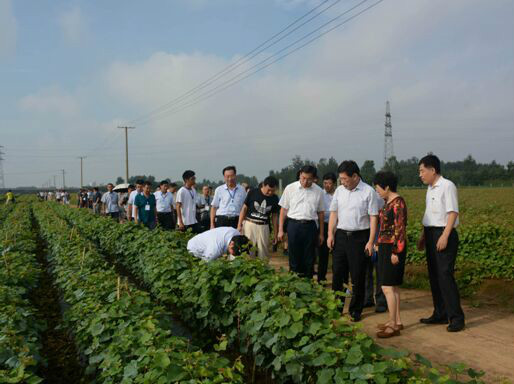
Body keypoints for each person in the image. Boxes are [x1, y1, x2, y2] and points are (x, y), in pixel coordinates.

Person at [327, 160, 379, 322]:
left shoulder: (368, 192)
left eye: (344, 179)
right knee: (338, 275)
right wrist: (330, 234)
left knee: (357, 276)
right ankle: (337, 307)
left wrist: (370, 241)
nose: (342, 182)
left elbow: (373, 218)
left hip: (359, 237)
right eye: (340, 179)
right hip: (341, 235)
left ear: (355, 176)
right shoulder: (340, 191)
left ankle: (356, 310)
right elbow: (334, 213)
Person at [417, 155, 465, 332]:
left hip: (444, 233)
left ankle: (456, 317)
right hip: (431, 233)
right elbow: (430, 214)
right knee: (435, 275)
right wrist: (423, 236)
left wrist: (444, 236)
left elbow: (453, 213)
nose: (420, 175)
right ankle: (440, 313)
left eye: (422, 171)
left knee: (445, 275)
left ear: (432, 170)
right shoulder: (430, 189)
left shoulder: (447, 186)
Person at [372, 171, 407, 338]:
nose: (377, 191)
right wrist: (378, 243)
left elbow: (400, 230)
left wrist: (395, 251)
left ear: (386, 187)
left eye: (378, 188)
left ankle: (392, 324)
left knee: (386, 287)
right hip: (386, 247)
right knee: (393, 286)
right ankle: (396, 320)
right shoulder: (388, 202)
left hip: (394, 249)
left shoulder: (398, 204)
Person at [278, 165, 324, 279]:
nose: (305, 181)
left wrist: (321, 233)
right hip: (293, 225)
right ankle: (294, 283)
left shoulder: (318, 191)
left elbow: (321, 213)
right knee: (294, 256)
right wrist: (280, 230)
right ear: (299, 175)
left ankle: (307, 284)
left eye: (309, 179)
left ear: (314, 178)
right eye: (303, 178)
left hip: (310, 226)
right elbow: (283, 210)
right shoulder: (290, 188)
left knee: (309, 257)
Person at [238, 176, 280, 259]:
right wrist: (239, 224)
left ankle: (263, 270)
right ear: (263, 185)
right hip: (250, 224)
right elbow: (244, 209)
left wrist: (275, 234)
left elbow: (274, 217)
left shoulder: (275, 198)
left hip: (264, 226)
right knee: (248, 249)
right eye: (268, 190)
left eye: (273, 191)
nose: (270, 192)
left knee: (263, 251)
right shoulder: (253, 192)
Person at [316, 173, 336, 283]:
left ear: (334, 184)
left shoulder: (338, 194)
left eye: (329, 183)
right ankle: (321, 279)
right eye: (325, 183)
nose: (327, 185)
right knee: (323, 255)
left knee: (337, 255)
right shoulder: (320, 194)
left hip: (336, 226)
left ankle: (337, 280)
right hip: (323, 225)